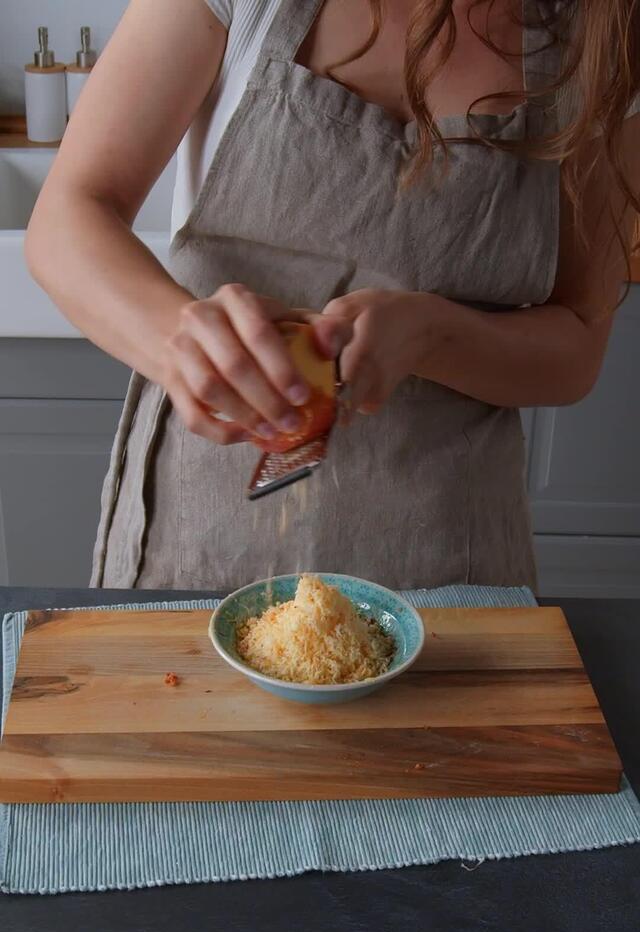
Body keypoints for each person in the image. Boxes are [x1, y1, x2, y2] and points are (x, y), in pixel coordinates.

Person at [26, 0, 640, 592]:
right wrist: (177, 340)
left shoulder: (600, 37)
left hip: (448, 561)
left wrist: (436, 334)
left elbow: (578, 337)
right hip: (200, 541)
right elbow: (68, 218)